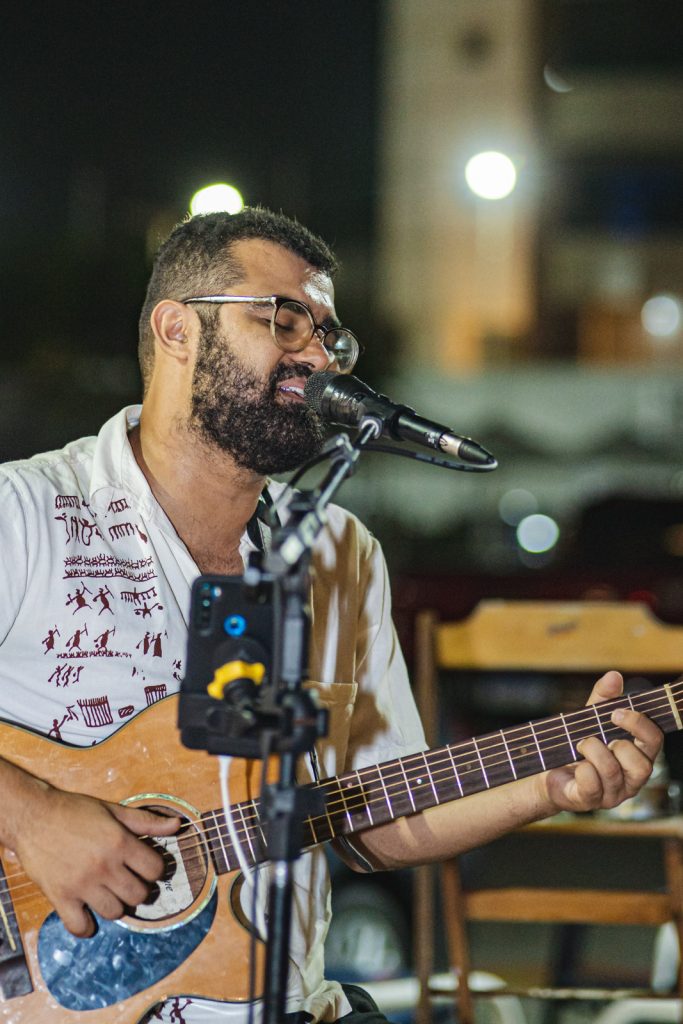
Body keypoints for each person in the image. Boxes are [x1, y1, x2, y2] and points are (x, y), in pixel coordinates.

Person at [0, 208, 663, 1024]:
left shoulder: (341, 554)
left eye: (328, 335)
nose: (315, 356)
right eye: (283, 319)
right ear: (177, 330)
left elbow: (373, 824)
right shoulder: (25, 514)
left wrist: (547, 784)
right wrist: (33, 815)